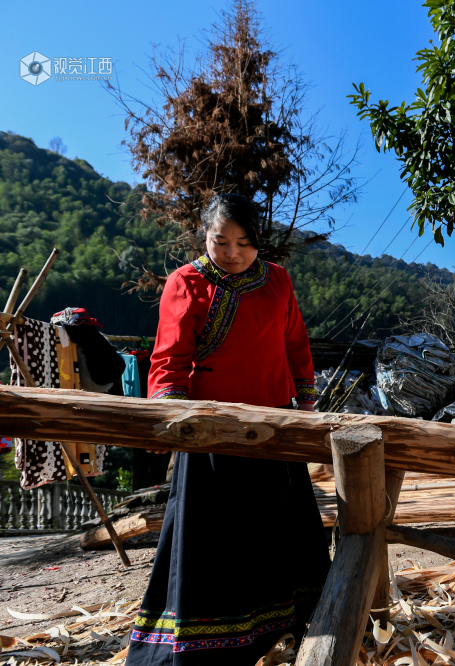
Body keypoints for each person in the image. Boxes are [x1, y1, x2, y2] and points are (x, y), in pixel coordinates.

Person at [127, 194, 329, 665]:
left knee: (277, 531)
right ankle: (210, 645)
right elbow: (169, 359)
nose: (233, 252)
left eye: (243, 242)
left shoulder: (277, 280)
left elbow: (295, 343)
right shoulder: (186, 282)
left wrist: (305, 400)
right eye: (221, 241)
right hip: (212, 435)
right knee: (216, 543)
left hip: (274, 429)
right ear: (205, 237)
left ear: (257, 241)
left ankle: (295, 627)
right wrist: (174, 420)